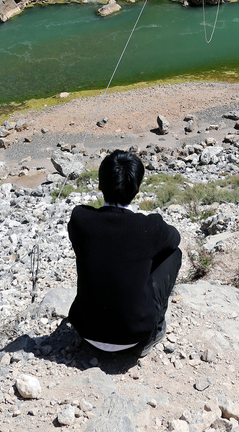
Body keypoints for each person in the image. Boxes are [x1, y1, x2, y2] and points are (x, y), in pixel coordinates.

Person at [67, 149, 182, 355]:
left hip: (86, 330)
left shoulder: (80, 219)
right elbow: (175, 240)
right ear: (137, 190)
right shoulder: (150, 227)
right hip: (135, 336)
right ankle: (155, 330)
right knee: (174, 254)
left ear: (100, 185)